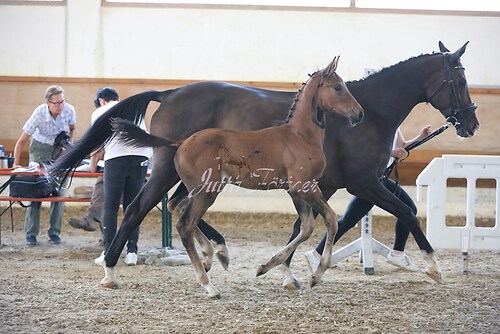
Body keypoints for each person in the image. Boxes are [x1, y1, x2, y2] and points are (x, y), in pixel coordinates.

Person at [305, 125, 432, 272]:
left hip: (380, 178)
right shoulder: (375, 122)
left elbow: (401, 146)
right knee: (349, 220)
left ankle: (398, 253)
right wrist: (391, 153)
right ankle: (317, 254)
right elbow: (364, 148)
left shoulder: (393, 124)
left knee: (407, 210)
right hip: (369, 180)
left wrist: (421, 137)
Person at [90, 87, 152, 266]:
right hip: (142, 157)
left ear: (101, 100)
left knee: (110, 207)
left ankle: (109, 252)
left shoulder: (100, 111)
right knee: (132, 206)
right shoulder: (134, 109)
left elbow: (96, 143)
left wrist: (92, 166)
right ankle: (132, 251)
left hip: (116, 158)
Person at [13, 85, 77, 245]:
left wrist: (69, 147)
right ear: (48, 102)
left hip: (59, 151)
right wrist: (15, 163)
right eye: (56, 103)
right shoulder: (39, 113)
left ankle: (54, 233)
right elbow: (22, 141)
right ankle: (31, 234)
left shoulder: (69, 110)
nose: (60, 106)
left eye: (62, 102)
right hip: (39, 149)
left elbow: (73, 129)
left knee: (59, 192)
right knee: (37, 191)